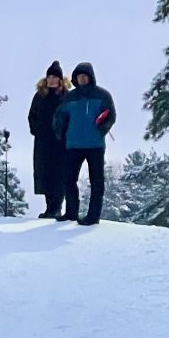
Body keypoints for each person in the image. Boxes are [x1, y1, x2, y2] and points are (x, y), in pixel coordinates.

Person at [53, 61, 116, 225]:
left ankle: (93, 216)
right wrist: (60, 132)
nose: (81, 79)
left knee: (96, 182)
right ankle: (71, 212)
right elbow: (59, 115)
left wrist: (102, 128)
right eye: (78, 76)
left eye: (84, 76)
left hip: (95, 145)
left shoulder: (103, 95)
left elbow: (111, 115)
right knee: (68, 179)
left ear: (90, 77)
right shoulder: (70, 97)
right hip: (73, 144)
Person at [27, 62, 70, 219]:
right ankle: (49, 207)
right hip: (43, 142)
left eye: (55, 77)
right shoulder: (40, 96)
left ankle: (56, 207)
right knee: (44, 173)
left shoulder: (66, 96)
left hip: (60, 143)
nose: (52, 80)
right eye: (49, 77)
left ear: (60, 79)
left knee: (58, 174)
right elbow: (32, 116)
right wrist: (36, 130)